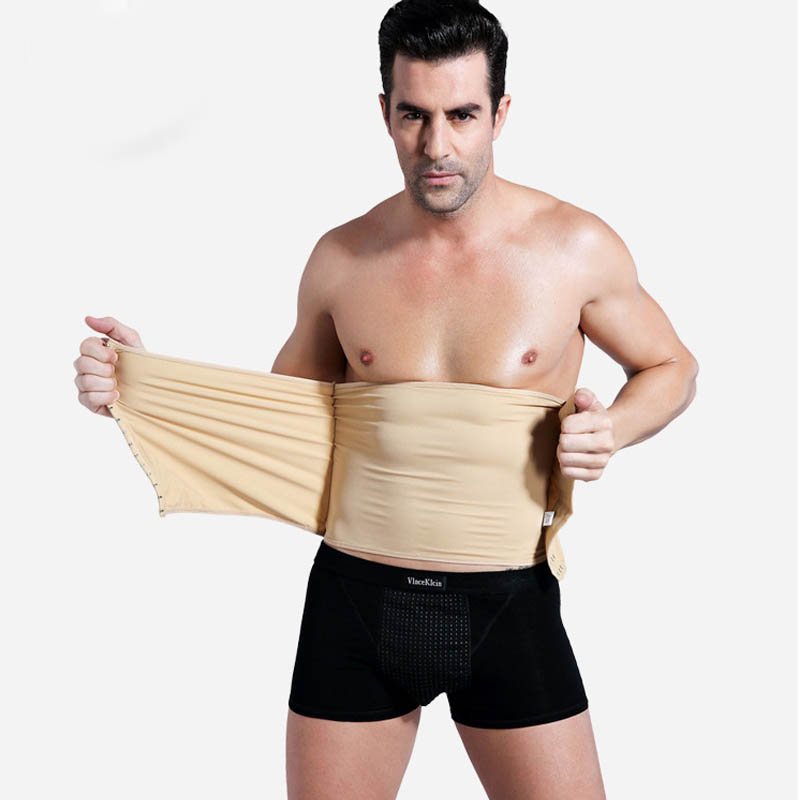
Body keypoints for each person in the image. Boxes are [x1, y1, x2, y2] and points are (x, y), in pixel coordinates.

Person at [73, 1, 698, 797]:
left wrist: (613, 426)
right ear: (385, 112)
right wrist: (141, 389)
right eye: (414, 116)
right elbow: (283, 422)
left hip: (508, 605)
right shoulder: (342, 259)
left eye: (462, 115)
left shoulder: (575, 248)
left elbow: (671, 366)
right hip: (354, 609)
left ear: (500, 113)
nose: (437, 147)